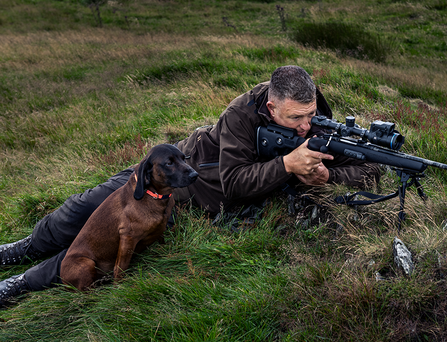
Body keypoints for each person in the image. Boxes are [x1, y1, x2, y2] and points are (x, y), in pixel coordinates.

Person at [0, 65, 381, 306]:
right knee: (81, 210)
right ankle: (22, 249)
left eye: (311, 114)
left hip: (197, 203)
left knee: (98, 245)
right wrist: (285, 165)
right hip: (174, 173)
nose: (305, 126)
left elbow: (369, 171)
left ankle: (20, 285)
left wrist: (329, 176)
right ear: (270, 107)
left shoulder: (317, 118)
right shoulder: (240, 113)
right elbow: (233, 182)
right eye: (296, 117)